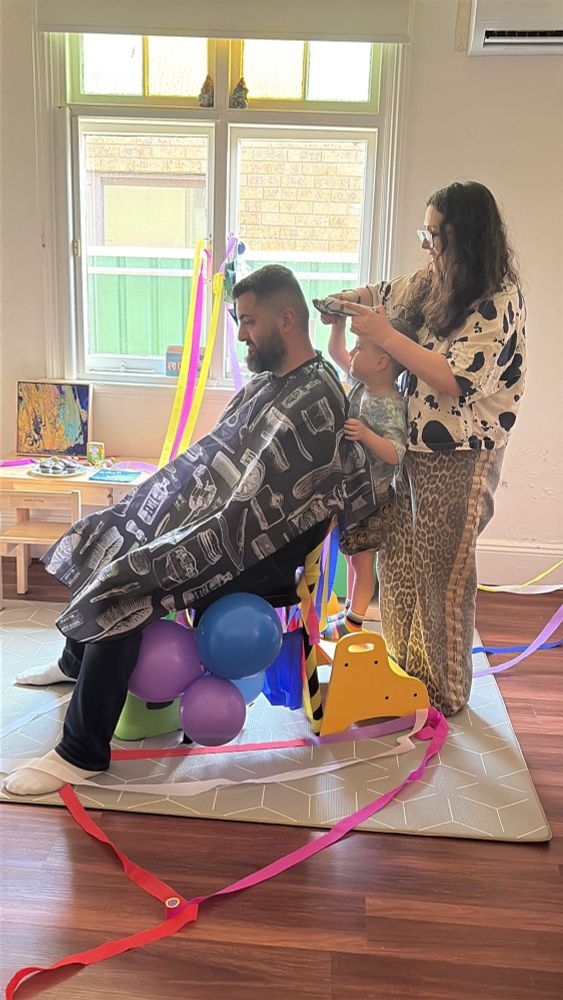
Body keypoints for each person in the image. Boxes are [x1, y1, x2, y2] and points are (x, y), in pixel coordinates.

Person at [4, 264, 378, 797]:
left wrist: (179, 533)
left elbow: (273, 504)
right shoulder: (272, 383)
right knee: (107, 530)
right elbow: (213, 461)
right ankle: (75, 660)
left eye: (249, 322)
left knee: (129, 577)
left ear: (287, 320)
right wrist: (156, 507)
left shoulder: (316, 396)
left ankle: (82, 751)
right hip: (224, 520)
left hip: (258, 548)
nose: (242, 334)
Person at [320, 180, 526, 715]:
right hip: (414, 448)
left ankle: (446, 693)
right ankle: (407, 674)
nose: (429, 245)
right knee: (401, 562)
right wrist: (342, 305)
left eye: (438, 236)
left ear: (471, 240)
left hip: (463, 455)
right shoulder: (434, 278)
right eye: (426, 233)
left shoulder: (498, 299)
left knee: (441, 574)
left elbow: (455, 378)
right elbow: (384, 295)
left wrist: (385, 336)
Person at [318, 310, 417, 640]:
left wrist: (365, 434)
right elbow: (336, 353)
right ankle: (350, 612)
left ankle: (354, 622)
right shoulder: (361, 383)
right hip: (352, 492)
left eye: (360, 348)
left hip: (371, 499)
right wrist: (337, 326)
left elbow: (396, 451)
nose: (353, 353)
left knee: (362, 563)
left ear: (382, 363)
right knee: (352, 556)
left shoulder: (389, 403)